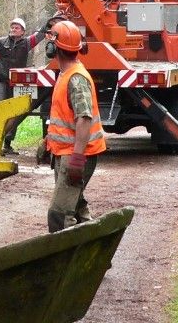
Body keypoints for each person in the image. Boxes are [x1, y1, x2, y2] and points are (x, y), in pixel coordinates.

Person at [44, 20, 106, 233]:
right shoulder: (66, 74)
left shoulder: (76, 79)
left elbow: (84, 119)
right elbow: (65, 117)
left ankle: (66, 262)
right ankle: (95, 246)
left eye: (51, 41)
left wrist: (78, 159)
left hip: (76, 155)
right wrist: (47, 143)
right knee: (76, 207)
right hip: (66, 153)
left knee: (59, 216)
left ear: (55, 48)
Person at [0, 16, 48, 154]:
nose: (13, 29)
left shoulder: (27, 43)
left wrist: (52, 21)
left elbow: (41, 34)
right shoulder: (0, 42)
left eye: (17, 27)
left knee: (14, 112)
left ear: (23, 31)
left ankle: (7, 144)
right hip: (0, 80)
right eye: (12, 27)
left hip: (17, 83)